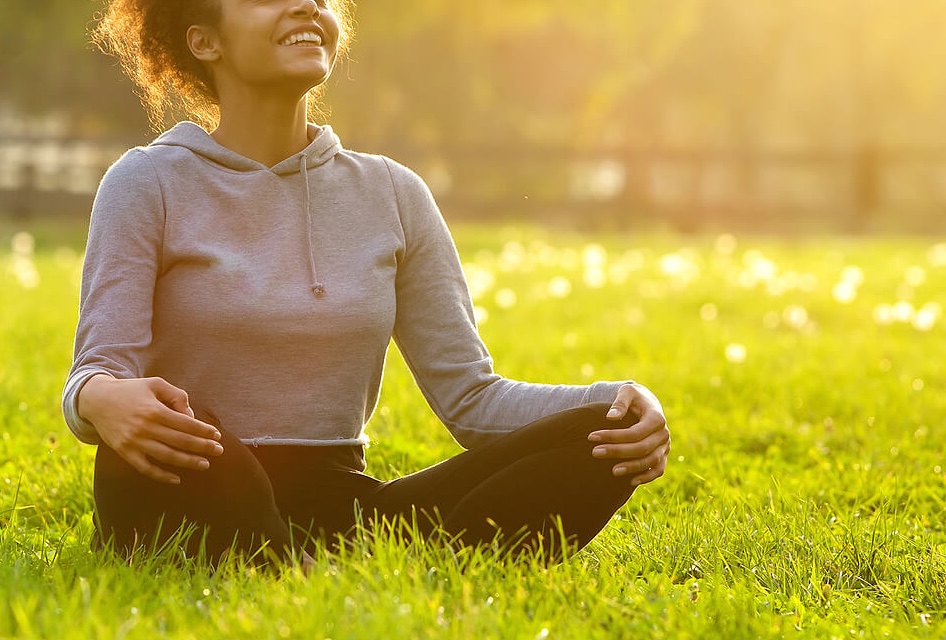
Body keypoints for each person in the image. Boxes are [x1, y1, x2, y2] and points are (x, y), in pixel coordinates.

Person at [63, 0, 671, 566]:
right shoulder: (147, 182)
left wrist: (619, 399)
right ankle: (300, 571)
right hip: (190, 479)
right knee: (194, 448)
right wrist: (99, 399)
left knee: (606, 436)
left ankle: (296, 567)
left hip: (338, 502)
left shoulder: (392, 192)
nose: (308, 5)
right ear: (204, 40)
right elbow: (99, 370)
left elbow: (472, 399)